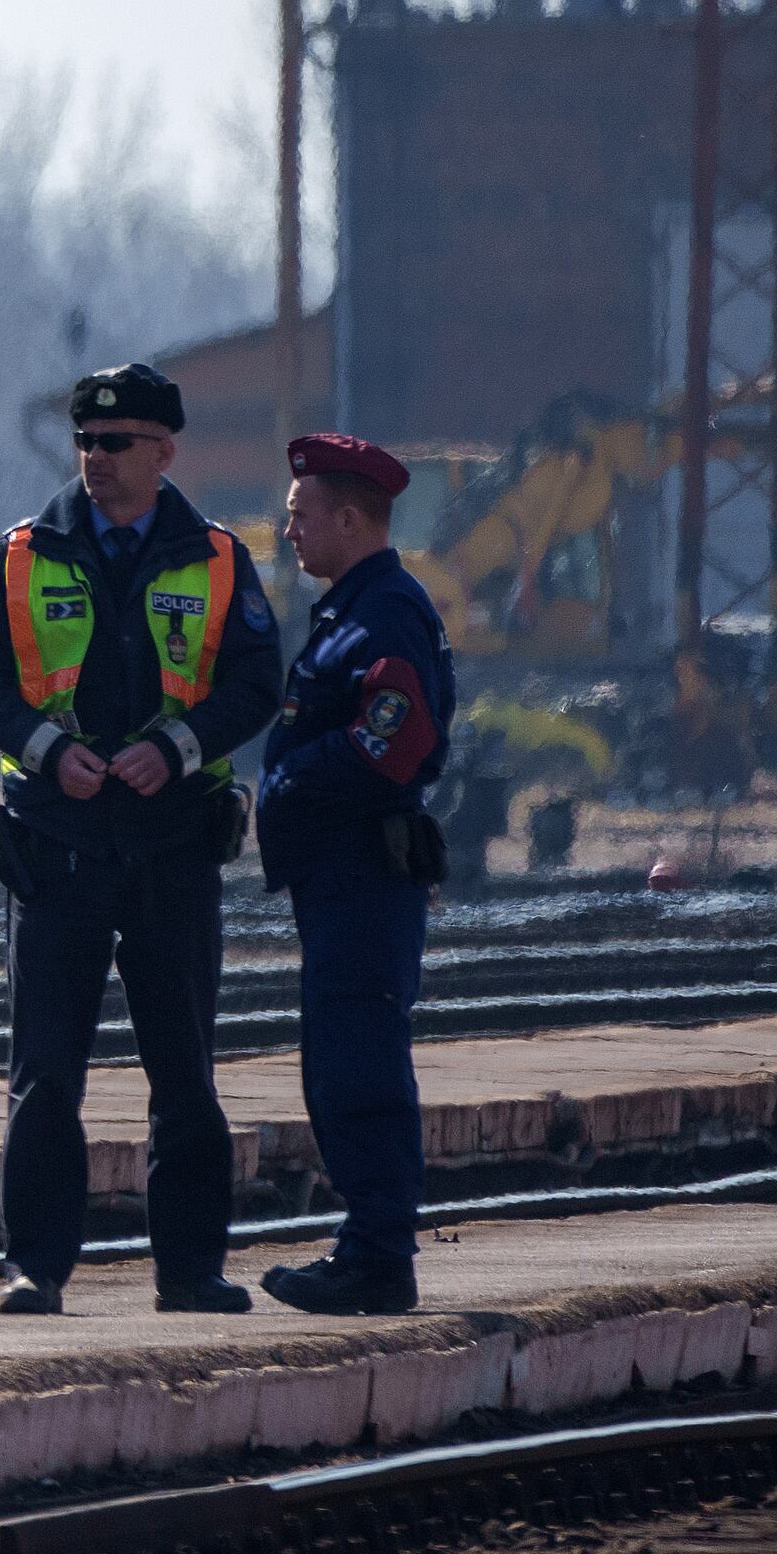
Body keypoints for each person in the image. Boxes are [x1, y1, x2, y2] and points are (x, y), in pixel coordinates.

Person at [0, 359, 287, 1318]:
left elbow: (259, 681)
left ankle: (191, 1270)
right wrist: (47, 750)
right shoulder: (22, 554)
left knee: (184, 1071)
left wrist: (176, 749)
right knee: (45, 1073)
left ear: (164, 452)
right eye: (86, 441)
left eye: (117, 442)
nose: (96, 457)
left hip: (173, 845)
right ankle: (34, 1267)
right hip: (56, 848)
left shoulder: (219, 559)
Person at [252, 433, 456, 1318]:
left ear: (348, 518)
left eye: (300, 515)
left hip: (364, 878)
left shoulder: (384, 614)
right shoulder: (352, 609)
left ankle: (377, 1258)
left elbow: (394, 736)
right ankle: (366, 1247)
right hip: (341, 879)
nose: (288, 530)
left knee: (359, 1066)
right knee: (338, 1064)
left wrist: (294, 778)